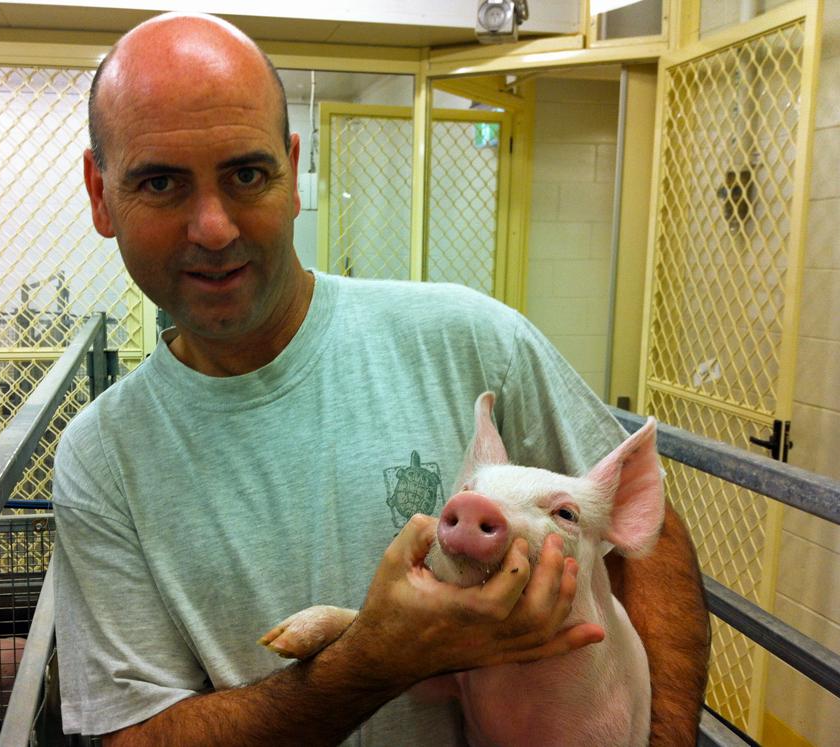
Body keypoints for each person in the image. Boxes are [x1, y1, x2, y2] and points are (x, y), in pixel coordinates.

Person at [52, 12, 710, 746]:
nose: (213, 227)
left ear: (293, 173)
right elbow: (134, 736)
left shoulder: (470, 340)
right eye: (161, 182)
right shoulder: (103, 459)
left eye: (246, 174)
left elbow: (648, 539)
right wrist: (375, 660)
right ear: (100, 193)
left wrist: (666, 737)